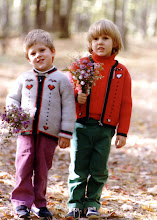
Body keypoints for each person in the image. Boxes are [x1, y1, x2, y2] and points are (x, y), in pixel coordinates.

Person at [65, 19, 132, 219]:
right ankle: (75, 203)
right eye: (95, 38)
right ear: (90, 43)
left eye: (105, 38)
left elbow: (126, 103)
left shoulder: (121, 72)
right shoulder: (80, 66)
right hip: (81, 126)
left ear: (115, 43)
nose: (100, 42)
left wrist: (122, 132)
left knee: (99, 168)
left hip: (105, 129)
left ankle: (92, 202)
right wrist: (78, 97)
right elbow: (67, 94)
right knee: (78, 166)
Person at [6, 29, 76, 220]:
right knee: (23, 165)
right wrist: (14, 113)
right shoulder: (24, 78)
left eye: (42, 50)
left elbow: (69, 107)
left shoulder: (62, 80)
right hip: (26, 131)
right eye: (33, 53)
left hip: (49, 133)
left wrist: (66, 132)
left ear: (52, 51)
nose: (38, 55)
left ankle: (39, 203)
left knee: (42, 168)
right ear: (28, 58)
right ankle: (21, 203)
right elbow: (12, 98)